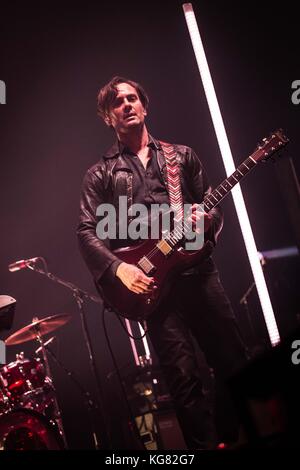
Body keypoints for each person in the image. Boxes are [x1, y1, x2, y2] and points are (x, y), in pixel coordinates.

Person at [77, 76, 248, 449]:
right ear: (108, 117)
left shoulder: (181, 156)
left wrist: (207, 223)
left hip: (199, 275)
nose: (127, 104)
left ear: (144, 106)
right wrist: (121, 268)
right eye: (118, 102)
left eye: (132, 98)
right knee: (183, 381)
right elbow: (86, 232)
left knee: (235, 363)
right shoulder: (100, 174)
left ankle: (228, 436)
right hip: (156, 291)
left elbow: (210, 206)